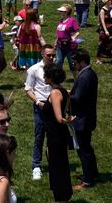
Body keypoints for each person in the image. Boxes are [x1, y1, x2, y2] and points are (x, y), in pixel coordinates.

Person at [42, 63, 74, 203]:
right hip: (58, 135)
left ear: (50, 77)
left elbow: (59, 118)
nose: (44, 77)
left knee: (57, 167)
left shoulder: (54, 93)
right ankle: (63, 196)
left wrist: (67, 121)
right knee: (60, 166)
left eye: (45, 75)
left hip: (55, 136)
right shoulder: (64, 91)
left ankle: (61, 197)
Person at [24, 44, 54, 181]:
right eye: (49, 55)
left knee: (53, 136)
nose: (51, 57)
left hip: (54, 105)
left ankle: (53, 162)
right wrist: (38, 103)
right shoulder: (34, 70)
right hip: (41, 106)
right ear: (42, 55)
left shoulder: (55, 68)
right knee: (39, 135)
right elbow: (28, 90)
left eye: (53, 55)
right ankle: (36, 166)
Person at [70, 50, 99, 189]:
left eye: (75, 62)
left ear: (82, 62)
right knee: (87, 148)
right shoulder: (90, 73)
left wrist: (66, 95)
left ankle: (87, 180)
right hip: (88, 117)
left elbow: (78, 98)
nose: (74, 65)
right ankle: (93, 173)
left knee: (83, 150)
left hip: (82, 119)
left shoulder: (84, 77)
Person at [55, 4, 80, 72]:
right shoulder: (61, 21)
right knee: (59, 62)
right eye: (60, 11)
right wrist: (55, 42)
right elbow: (59, 33)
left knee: (71, 63)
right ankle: (58, 78)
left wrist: (72, 38)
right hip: (60, 45)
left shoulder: (72, 20)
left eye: (62, 11)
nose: (60, 12)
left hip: (70, 45)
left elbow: (77, 32)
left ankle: (76, 79)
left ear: (67, 12)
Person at [96, 0, 112, 64]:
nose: (111, 1)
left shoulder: (111, 8)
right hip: (104, 30)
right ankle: (98, 58)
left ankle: (111, 56)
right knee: (102, 44)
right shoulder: (102, 10)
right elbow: (102, 21)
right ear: (106, 1)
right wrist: (105, 30)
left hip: (111, 28)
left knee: (111, 43)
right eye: (110, 0)